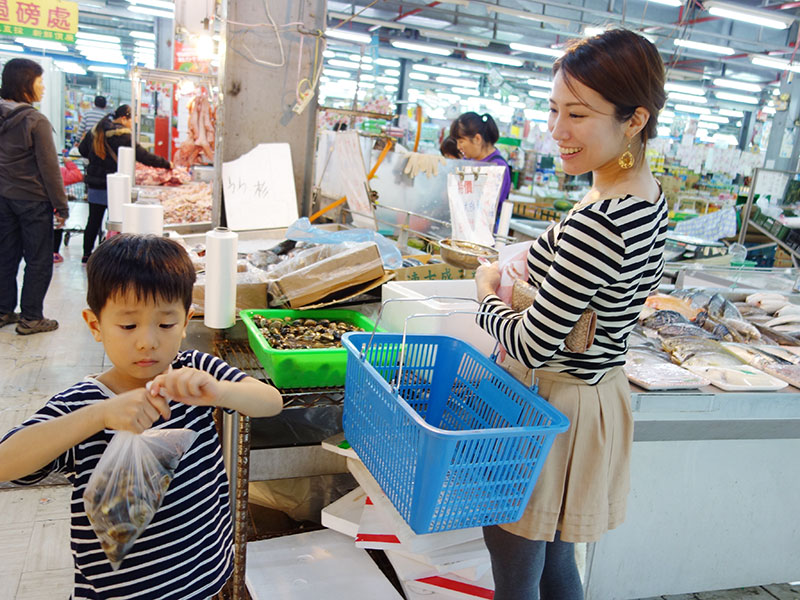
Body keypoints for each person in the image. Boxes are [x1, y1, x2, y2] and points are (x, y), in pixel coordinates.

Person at [473, 29, 668, 600]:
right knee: (554, 563)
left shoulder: (601, 217)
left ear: (633, 120)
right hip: (592, 393)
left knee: (515, 567)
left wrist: (485, 293)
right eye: (554, 109)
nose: (557, 130)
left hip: (550, 404)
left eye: (578, 114)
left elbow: (532, 345)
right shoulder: (644, 194)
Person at [0, 233, 283, 599]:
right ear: (95, 325)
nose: (147, 341)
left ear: (186, 322)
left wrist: (221, 391)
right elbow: (7, 463)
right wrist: (100, 415)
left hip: (205, 577)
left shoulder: (194, 371)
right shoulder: (84, 404)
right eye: (129, 325)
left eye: (165, 324)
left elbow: (270, 402)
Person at [0, 58, 69, 335]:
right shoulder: (35, 121)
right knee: (39, 260)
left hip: (3, 198)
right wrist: (61, 206)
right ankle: (31, 317)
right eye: (40, 81)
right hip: (33, 201)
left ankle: (4, 310)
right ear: (26, 84)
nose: (43, 88)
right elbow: (49, 169)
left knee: (6, 256)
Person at [79, 104, 172, 263]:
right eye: (131, 120)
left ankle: (87, 254)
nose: (131, 124)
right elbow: (143, 156)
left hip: (95, 184)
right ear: (123, 118)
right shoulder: (122, 136)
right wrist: (166, 164)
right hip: (116, 188)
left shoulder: (95, 131)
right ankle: (111, 256)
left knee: (93, 220)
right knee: (117, 223)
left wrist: (97, 159)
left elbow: (82, 149)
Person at [449, 112, 511, 233]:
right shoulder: (466, 162)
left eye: (461, 141)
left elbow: (486, 209)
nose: (458, 147)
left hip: (484, 236)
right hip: (463, 231)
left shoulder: (497, 166)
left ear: (477, 139)